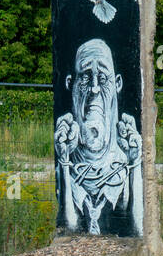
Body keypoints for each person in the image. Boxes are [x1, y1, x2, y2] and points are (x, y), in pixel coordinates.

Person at [54, 39, 143, 235]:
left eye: (103, 78)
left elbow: (138, 232)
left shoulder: (126, 165)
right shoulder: (63, 167)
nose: (94, 88)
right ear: (71, 83)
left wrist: (135, 162)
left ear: (117, 84)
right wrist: (64, 159)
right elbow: (68, 232)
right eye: (85, 77)